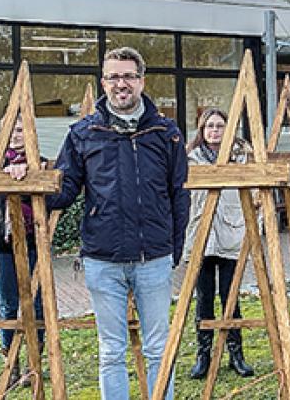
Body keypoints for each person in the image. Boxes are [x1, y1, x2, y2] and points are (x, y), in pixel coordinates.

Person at [44, 47, 189, 400]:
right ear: (103, 82)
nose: (120, 84)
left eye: (128, 76)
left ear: (141, 81)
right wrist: (27, 178)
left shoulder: (165, 132)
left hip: (153, 258)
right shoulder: (84, 133)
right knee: (111, 350)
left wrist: (173, 249)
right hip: (102, 259)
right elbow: (63, 192)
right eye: (113, 77)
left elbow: (179, 195)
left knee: (158, 348)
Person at [183, 108, 254, 379]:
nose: (214, 131)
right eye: (209, 126)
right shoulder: (190, 159)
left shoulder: (242, 158)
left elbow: (255, 197)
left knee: (230, 297)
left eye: (219, 126)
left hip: (231, 234)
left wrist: (251, 229)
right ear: (202, 130)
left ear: (228, 129)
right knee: (204, 299)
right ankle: (203, 355)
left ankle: (236, 354)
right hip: (201, 236)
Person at [0, 114, 46, 387]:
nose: (16, 135)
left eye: (21, 130)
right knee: (8, 302)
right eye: (11, 130)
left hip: (34, 241)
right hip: (4, 245)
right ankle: (11, 362)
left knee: (36, 303)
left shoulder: (41, 163)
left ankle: (33, 362)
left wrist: (28, 177)